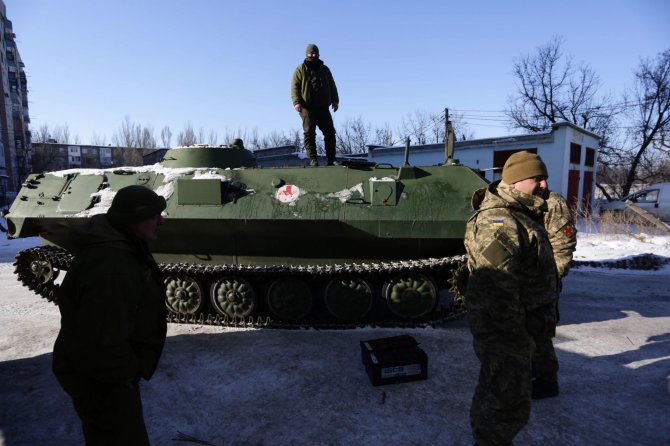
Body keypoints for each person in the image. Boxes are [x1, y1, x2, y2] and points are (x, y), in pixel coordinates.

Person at [52, 185, 168, 445]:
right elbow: (104, 340)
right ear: (133, 220)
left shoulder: (122, 248)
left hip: (100, 374)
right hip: (102, 380)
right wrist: (127, 374)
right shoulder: (112, 268)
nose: (161, 221)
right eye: (155, 215)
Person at [464, 151, 559, 445]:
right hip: (507, 332)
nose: (544, 185)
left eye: (544, 178)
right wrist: (515, 338)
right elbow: (496, 287)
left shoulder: (522, 213)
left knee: (496, 390)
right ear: (516, 181)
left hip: (522, 326)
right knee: (508, 403)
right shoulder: (500, 221)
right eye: (537, 179)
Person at [531, 190, 577, 399]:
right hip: (528, 279)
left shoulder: (553, 203)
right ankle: (533, 370)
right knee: (528, 329)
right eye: (537, 177)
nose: (543, 183)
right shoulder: (521, 200)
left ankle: (546, 381)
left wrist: (553, 277)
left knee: (541, 332)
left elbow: (564, 244)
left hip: (543, 281)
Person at [291, 43, 339, 166]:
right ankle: (313, 158)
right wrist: (296, 102)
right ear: (307, 54)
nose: (313, 55)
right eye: (311, 53)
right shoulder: (300, 69)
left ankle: (331, 159)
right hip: (307, 107)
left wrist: (335, 100)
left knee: (330, 132)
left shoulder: (325, 69)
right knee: (309, 132)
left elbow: (332, 85)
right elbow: (295, 87)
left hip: (323, 107)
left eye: (315, 53)